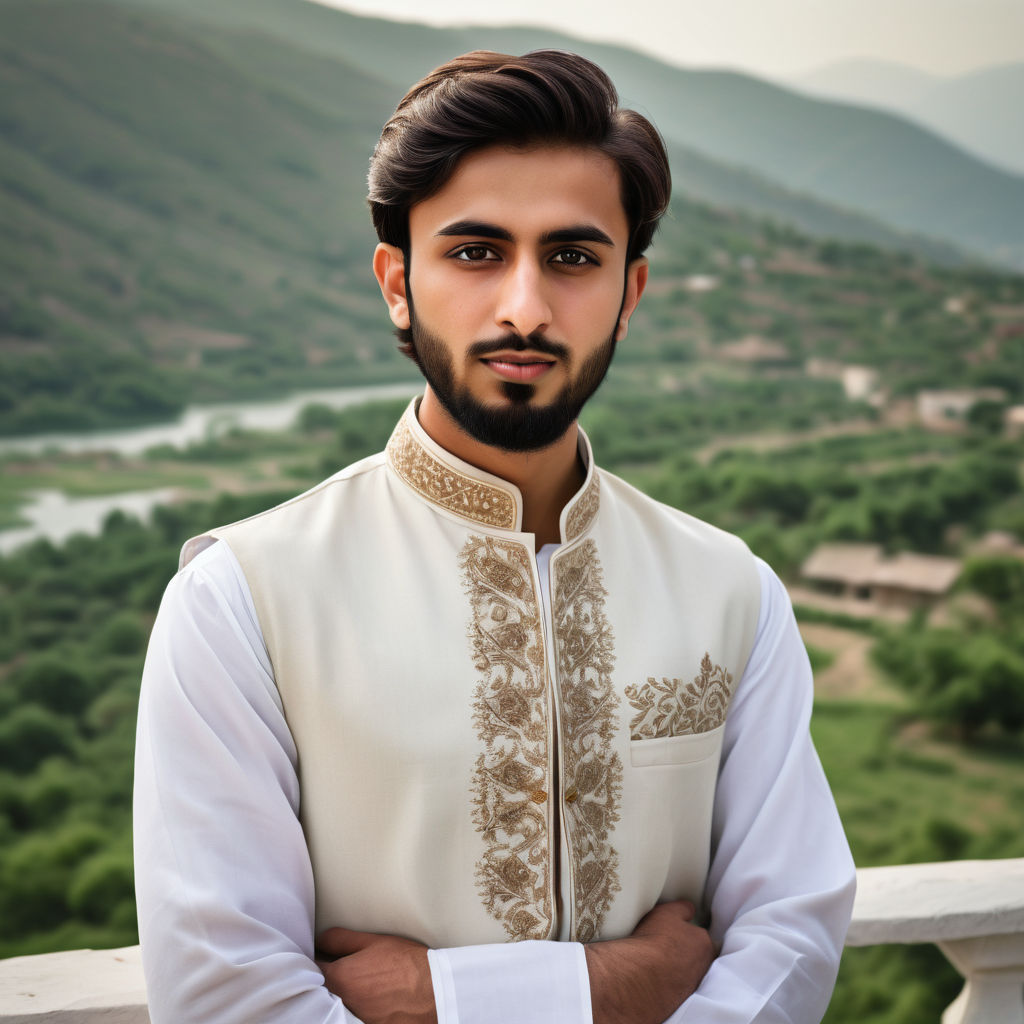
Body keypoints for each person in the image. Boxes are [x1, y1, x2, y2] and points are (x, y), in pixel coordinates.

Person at [134, 50, 856, 1024]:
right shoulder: (242, 601)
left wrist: (437, 997)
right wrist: (611, 989)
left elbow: (792, 929)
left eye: (573, 258)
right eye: (476, 253)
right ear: (398, 283)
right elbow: (224, 994)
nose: (525, 307)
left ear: (629, 294)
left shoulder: (731, 591)